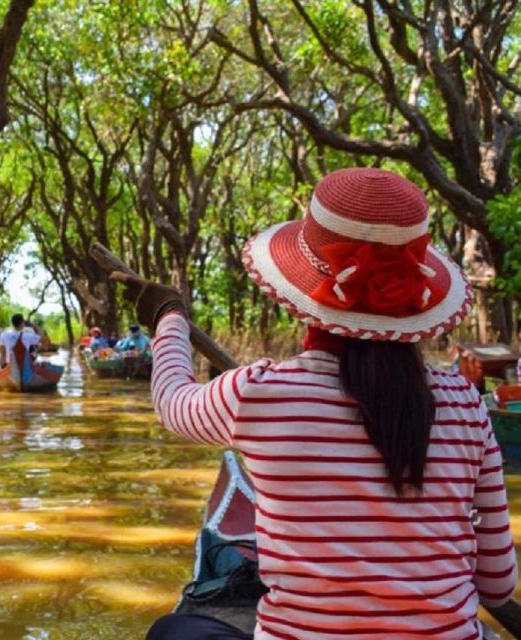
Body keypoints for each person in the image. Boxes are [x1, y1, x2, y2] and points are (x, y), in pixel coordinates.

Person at [111, 168, 519, 640]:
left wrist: (170, 318)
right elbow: (497, 583)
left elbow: (171, 401)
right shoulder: (467, 404)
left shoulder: (259, 393)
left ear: (300, 294)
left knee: (174, 632)